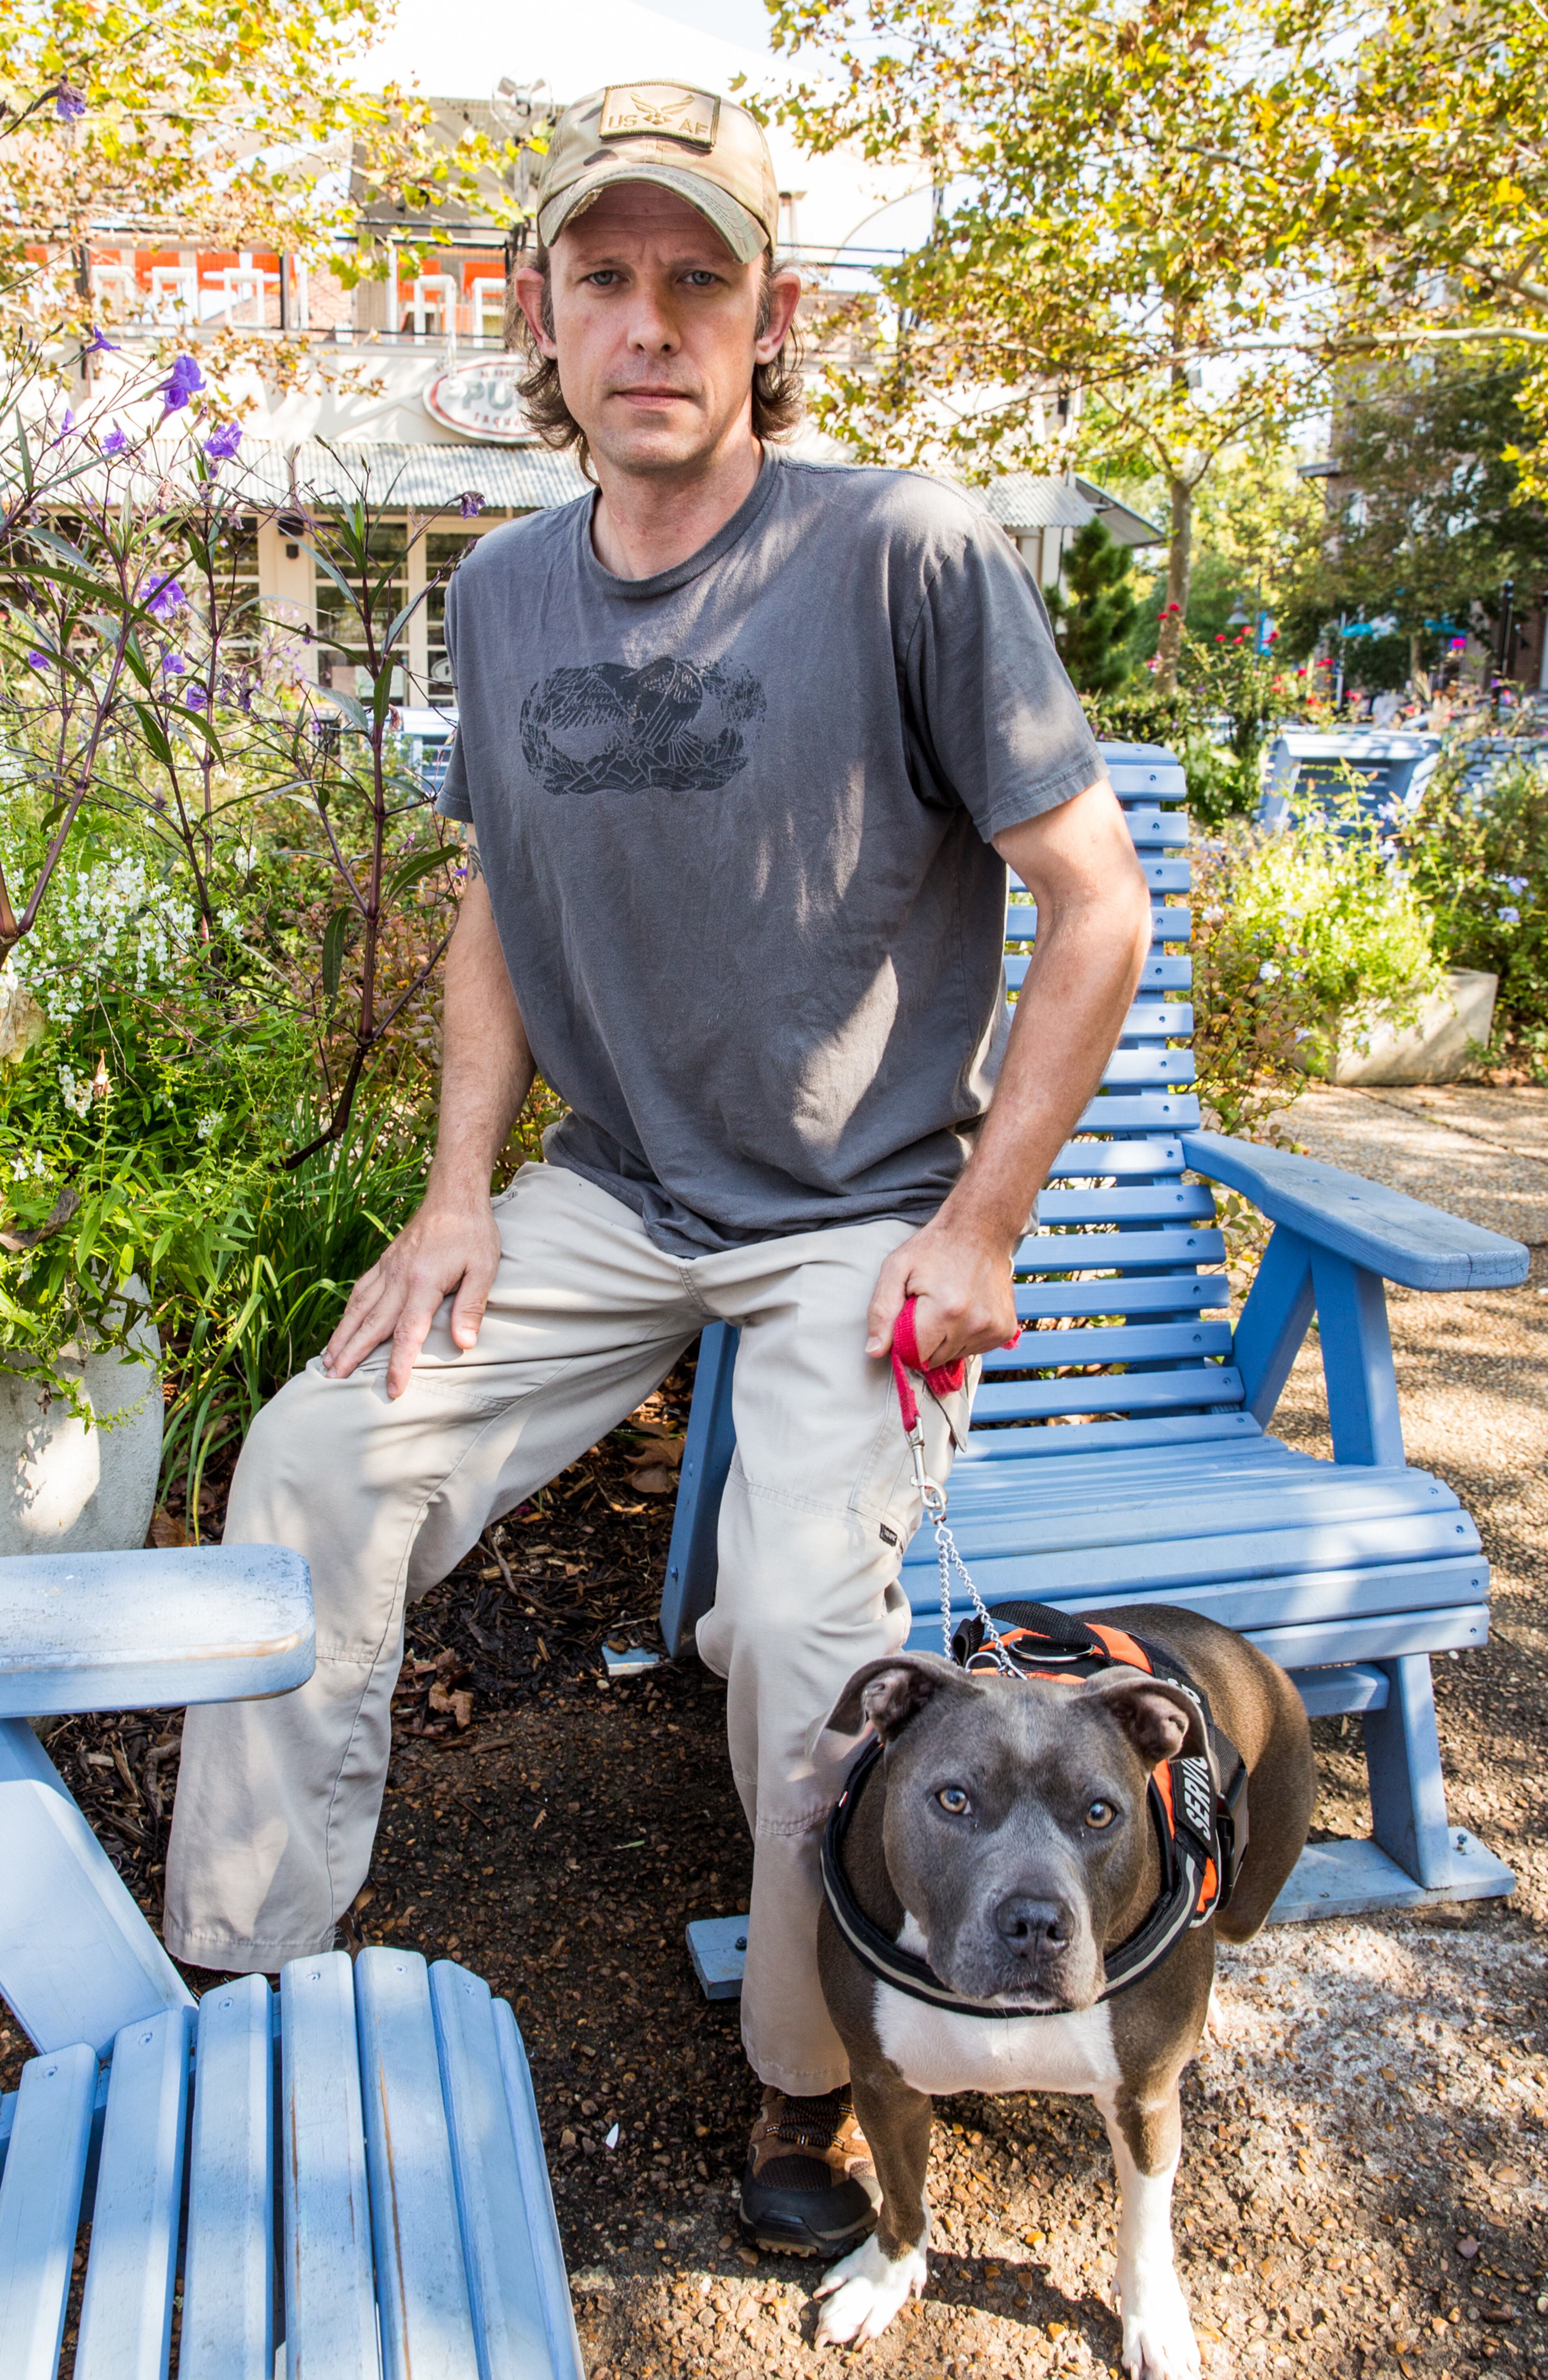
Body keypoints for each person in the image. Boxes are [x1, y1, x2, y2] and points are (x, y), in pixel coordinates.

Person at [165, 81, 1152, 2258]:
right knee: (316, 1456)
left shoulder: (902, 552)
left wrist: (979, 1224)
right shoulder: (508, 591)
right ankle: (233, 1983)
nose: (649, 320)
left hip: (856, 1216)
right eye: (603, 277)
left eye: (697, 276)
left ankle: (809, 2078)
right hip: (614, 1193)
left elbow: (1099, 903)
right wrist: (452, 1195)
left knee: (803, 1625)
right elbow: (500, 907)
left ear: (772, 313)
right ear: (539, 312)